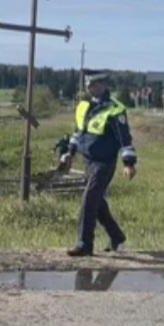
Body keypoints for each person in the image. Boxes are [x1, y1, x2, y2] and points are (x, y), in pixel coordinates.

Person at [58, 72, 137, 256]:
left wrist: (129, 163)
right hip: (88, 160)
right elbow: (78, 132)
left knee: (89, 199)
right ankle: (117, 236)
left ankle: (85, 244)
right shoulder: (84, 106)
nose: (89, 88)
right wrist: (69, 153)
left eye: (93, 84)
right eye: (87, 84)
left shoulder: (115, 109)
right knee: (97, 202)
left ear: (102, 85)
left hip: (105, 162)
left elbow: (124, 138)